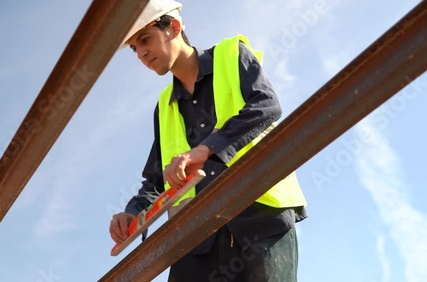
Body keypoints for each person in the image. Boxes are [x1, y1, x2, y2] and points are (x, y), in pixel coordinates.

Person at [109, 1, 307, 281]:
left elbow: (266, 105)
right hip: (196, 241)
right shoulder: (165, 106)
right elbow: (155, 180)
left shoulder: (230, 56)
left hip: (259, 221)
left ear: (173, 28)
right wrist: (133, 215)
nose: (141, 53)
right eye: (134, 48)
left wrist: (208, 148)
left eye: (145, 39)